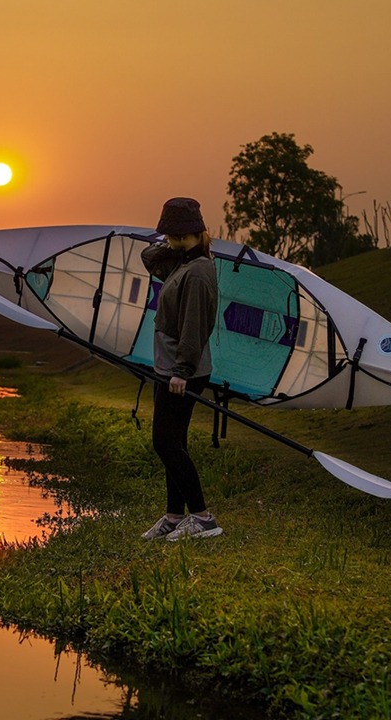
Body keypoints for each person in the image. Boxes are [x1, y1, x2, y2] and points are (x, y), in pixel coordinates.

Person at [139, 197, 223, 541]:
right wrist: (171, 244)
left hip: (182, 371)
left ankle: (203, 518)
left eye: (170, 233)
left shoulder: (199, 271)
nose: (165, 239)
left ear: (182, 233)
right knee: (174, 440)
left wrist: (182, 370)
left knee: (165, 442)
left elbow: (194, 326)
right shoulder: (183, 263)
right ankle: (174, 516)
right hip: (169, 367)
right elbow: (149, 259)